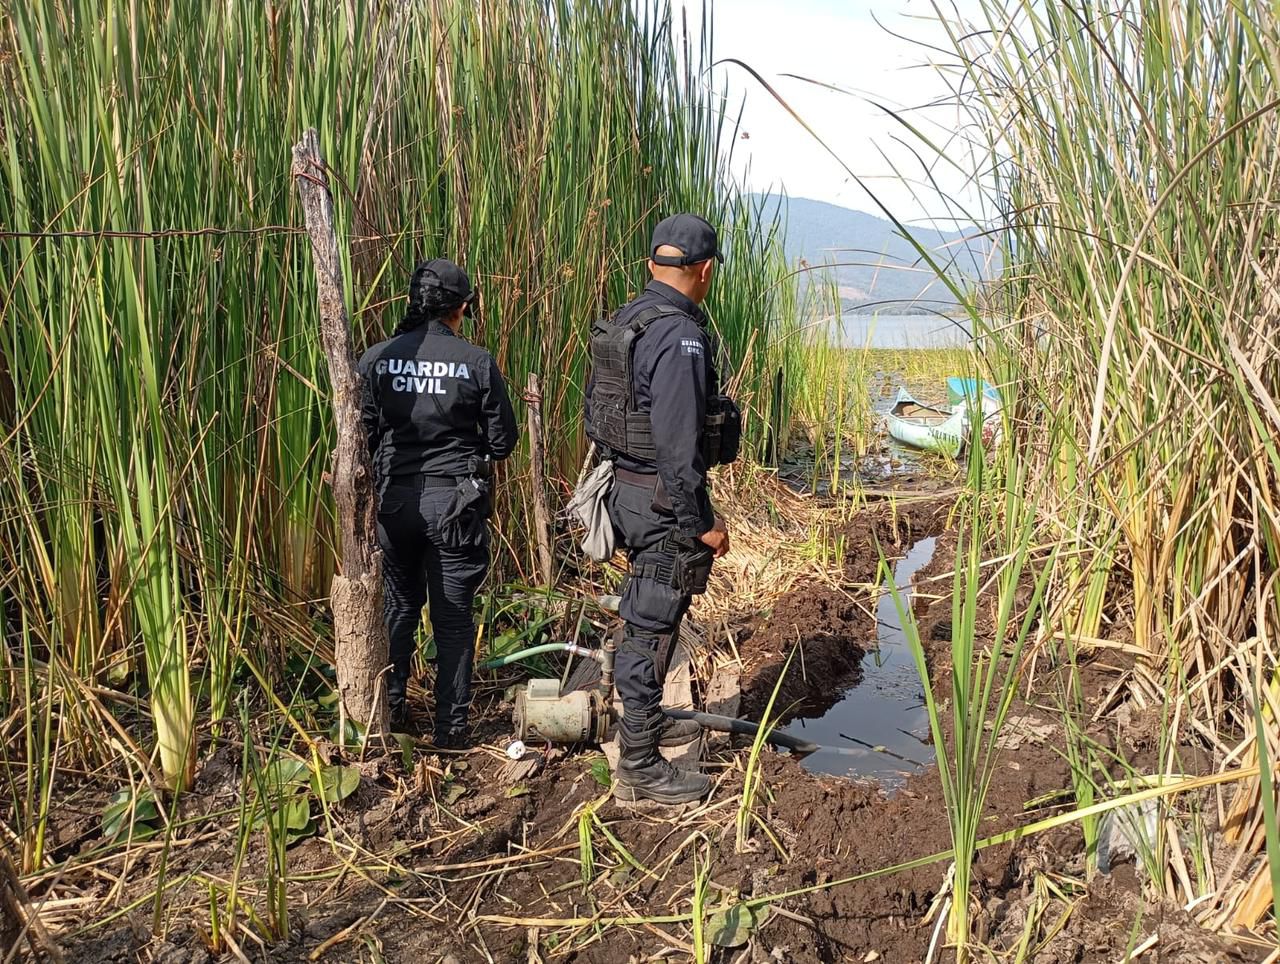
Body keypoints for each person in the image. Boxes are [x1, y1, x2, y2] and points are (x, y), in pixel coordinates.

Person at [585, 213, 741, 804]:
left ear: (653, 263)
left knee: (648, 614)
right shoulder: (679, 337)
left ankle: (646, 723)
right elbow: (678, 449)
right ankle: (640, 764)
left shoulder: (626, 321)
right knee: (651, 624)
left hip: (625, 489)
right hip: (661, 500)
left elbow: (600, 415)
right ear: (705, 271)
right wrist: (702, 522)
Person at [359, 259, 518, 747]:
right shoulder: (475, 362)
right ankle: (451, 730)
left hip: (394, 504)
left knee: (399, 607)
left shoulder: (376, 359)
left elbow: (362, 434)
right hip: (454, 505)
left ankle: (389, 714)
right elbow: (503, 441)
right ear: (462, 308)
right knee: (452, 619)